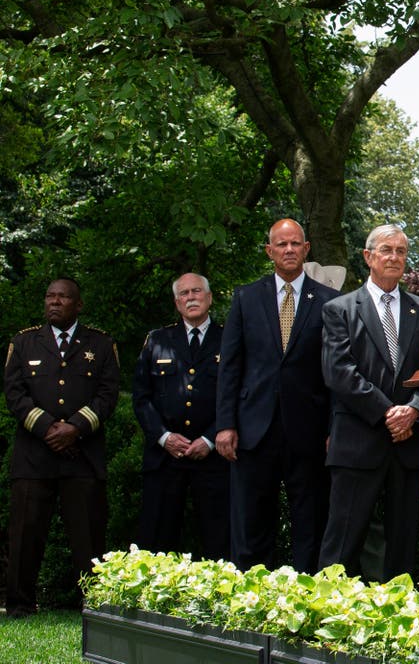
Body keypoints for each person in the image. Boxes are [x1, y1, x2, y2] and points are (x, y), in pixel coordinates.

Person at [319, 224, 419, 579]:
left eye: (401, 251)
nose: (394, 257)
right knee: (341, 544)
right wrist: (388, 413)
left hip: (409, 446)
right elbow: (338, 371)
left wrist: (415, 410)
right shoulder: (339, 310)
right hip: (358, 442)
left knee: (402, 547)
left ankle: (398, 620)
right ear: (368, 257)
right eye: (386, 250)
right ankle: (324, 614)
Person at [216, 218, 340, 573]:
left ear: (306, 249)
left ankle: (307, 597)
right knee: (252, 521)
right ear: (270, 250)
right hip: (254, 429)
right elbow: (231, 366)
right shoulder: (246, 297)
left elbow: (334, 373)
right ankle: (251, 598)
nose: (289, 250)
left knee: (311, 520)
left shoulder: (330, 302)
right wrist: (225, 424)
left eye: (295, 243)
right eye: (281, 244)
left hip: (310, 430)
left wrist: (334, 426)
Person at [4, 278, 119, 617]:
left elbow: (108, 394)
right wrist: (49, 428)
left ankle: (94, 606)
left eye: (63, 297)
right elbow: (14, 393)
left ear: (78, 304)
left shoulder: (100, 344)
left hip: (82, 456)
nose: (54, 302)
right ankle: (20, 607)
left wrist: (75, 428)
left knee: (88, 537)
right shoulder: (24, 343)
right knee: (25, 535)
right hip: (33, 457)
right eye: (50, 297)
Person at [131, 273, 229, 561]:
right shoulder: (157, 340)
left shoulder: (229, 339)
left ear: (209, 297)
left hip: (213, 456)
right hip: (165, 456)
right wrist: (163, 437)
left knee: (218, 536)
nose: (191, 297)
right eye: (184, 294)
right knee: (156, 535)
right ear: (177, 303)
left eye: (197, 291)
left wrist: (210, 439)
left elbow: (239, 394)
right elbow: (142, 397)